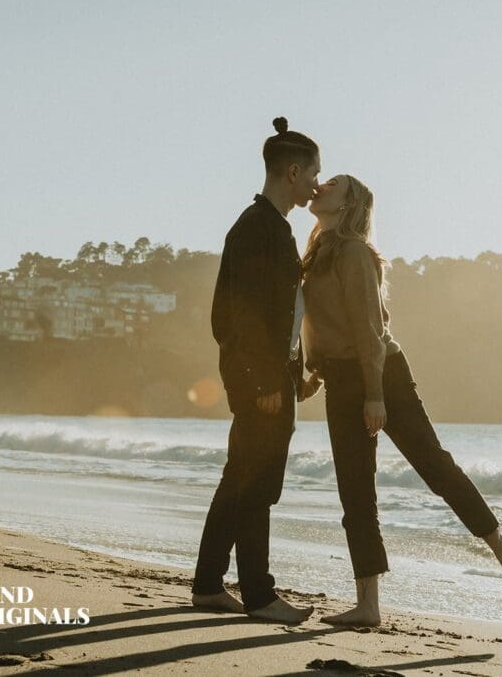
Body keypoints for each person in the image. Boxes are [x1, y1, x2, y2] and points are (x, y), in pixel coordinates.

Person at [300, 174, 502, 626]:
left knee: (434, 465)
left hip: (382, 373)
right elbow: (322, 324)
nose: (321, 186)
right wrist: (314, 374)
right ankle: (368, 605)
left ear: (349, 204)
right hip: (342, 377)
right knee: (355, 491)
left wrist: (375, 395)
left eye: (333, 184)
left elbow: (369, 330)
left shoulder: (355, 253)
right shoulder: (316, 252)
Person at [190, 117, 321, 624]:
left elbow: (282, 316)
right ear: (292, 172)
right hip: (258, 382)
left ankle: (208, 585)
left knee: (241, 480)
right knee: (257, 485)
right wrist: (264, 380)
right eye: (313, 174)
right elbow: (234, 318)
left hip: (270, 378)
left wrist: (294, 373)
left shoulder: (274, 228)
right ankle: (260, 595)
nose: (316, 185)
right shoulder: (255, 228)